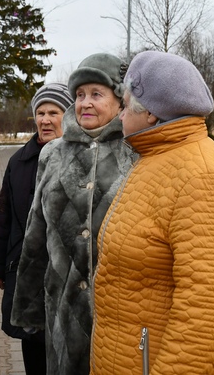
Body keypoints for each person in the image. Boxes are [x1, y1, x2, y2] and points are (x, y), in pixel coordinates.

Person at [90, 50, 214, 375]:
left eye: (124, 105)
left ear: (150, 113)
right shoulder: (156, 160)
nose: (119, 116)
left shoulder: (203, 178)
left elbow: (204, 312)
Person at [11, 53, 136, 375]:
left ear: (120, 99)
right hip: (63, 311)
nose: (85, 103)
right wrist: (28, 307)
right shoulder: (53, 153)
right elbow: (35, 233)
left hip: (122, 312)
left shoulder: (137, 150)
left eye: (96, 94)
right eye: (80, 95)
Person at [0, 83, 74, 375]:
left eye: (54, 112)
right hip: (27, 272)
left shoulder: (81, 159)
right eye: (40, 112)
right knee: (33, 347)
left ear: (68, 115)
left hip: (68, 277)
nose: (45, 119)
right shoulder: (18, 162)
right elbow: (3, 216)